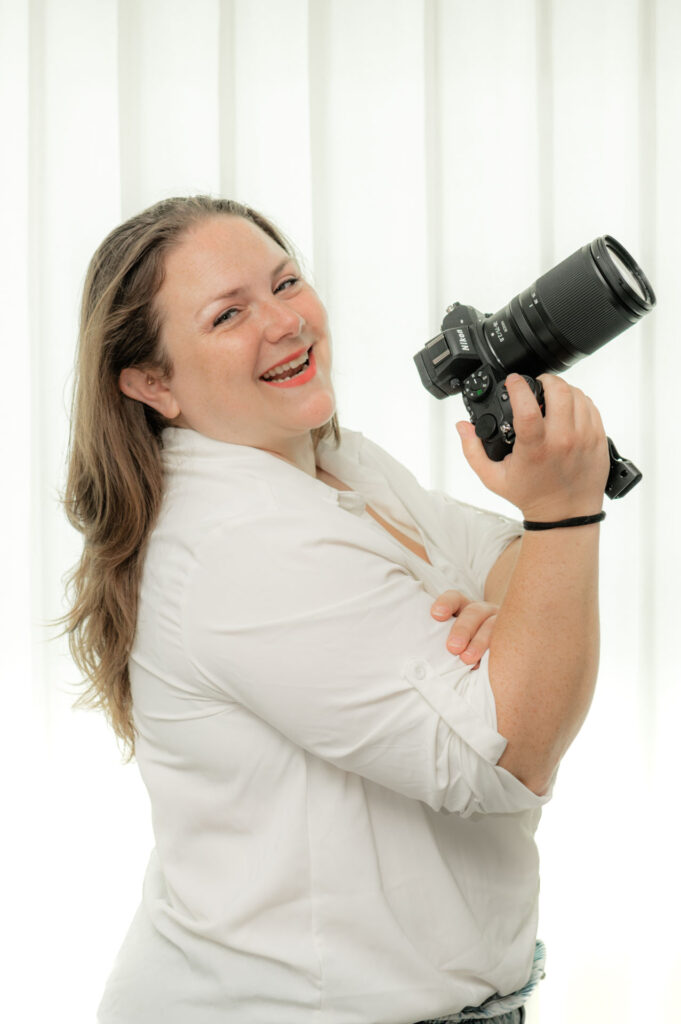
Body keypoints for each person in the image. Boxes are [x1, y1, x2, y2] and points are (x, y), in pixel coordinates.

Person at [63, 195, 610, 1024]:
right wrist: (563, 513)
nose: (285, 322)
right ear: (151, 382)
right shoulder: (238, 543)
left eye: (286, 283)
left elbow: (507, 557)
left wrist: (522, 600)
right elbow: (506, 754)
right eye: (228, 315)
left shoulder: (338, 462)